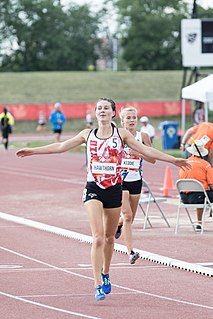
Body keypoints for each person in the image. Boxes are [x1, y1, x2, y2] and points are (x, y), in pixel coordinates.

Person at [16, 97, 190, 301]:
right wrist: (32, 151)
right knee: (97, 237)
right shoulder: (87, 134)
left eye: (106, 108)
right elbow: (61, 146)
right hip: (93, 188)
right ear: (95, 113)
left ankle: (106, 273)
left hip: (114, 189)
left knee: (109, 238)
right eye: (99, 108)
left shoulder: (121, 134)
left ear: (113, 113)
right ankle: (97, 282)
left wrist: (173, 159)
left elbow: (146, 150)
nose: (102, 111)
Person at [115, 107, 155, 264]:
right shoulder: (117, 136)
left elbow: (152, 159)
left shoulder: (142, 136)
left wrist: (139, 153)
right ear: (122, 120)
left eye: (134, 118)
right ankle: (131, 252)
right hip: (121, 180)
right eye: (128, 118)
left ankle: (118, 224)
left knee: (129, 219)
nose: (132, 120)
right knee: (128, 215)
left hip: (136, 180)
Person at [179, 140, 213, 232]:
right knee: (203, 192)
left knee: (200, 191)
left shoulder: (183, 163)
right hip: (199, 197)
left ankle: (199, 223)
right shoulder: (206, 165)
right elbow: (211, 185)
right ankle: (199, 222)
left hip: (184, 198)